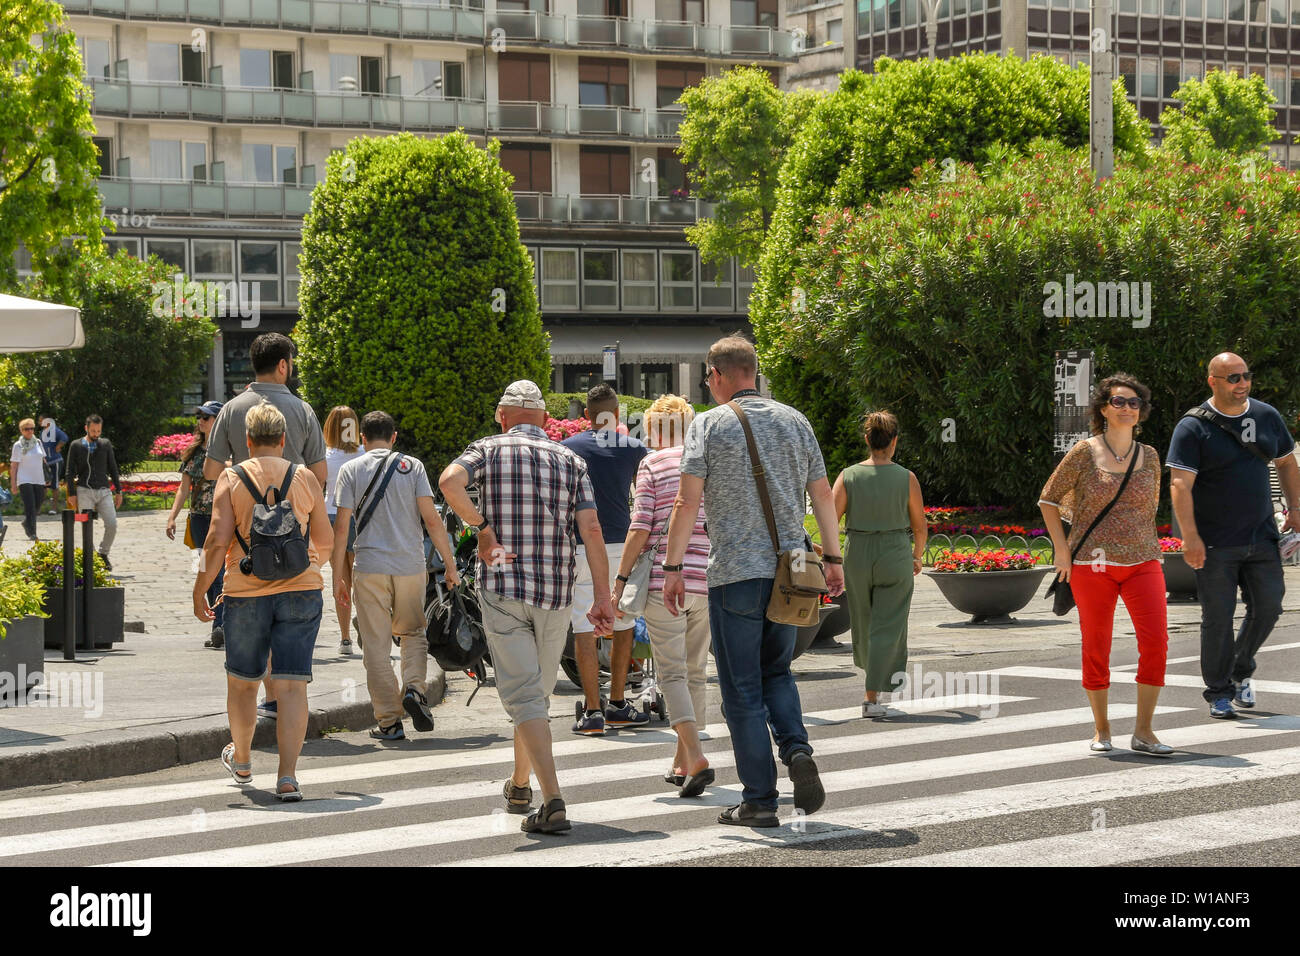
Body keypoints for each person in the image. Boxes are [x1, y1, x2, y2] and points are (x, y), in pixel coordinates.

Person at [664, 335, 845, 828]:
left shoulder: (708, 424)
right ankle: (797, 748)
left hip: (735, 576)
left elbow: (686, 502)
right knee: (777, 673)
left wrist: (674, 568)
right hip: (792, 574)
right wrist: (833, 559)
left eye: (708, 377)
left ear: (719, 374)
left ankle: (760, 800)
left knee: (741, 689)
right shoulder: (795, 421)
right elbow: (823, 494)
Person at [439, 380, 615, 835]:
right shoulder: (571, 460)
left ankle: (553, 798)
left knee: (522, 694)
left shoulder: (488, 449)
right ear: (541, 418)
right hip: (556, 591)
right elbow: (592, 530)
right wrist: (601, 597)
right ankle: (520, 783)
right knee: (532, 694)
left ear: (502, 415)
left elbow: (448, 482)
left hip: (504, 583)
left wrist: (481, 528)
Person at [193, 401, 334, 801]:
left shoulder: (231, 478)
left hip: (245, 592)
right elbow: (324, 541)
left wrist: (201, 586)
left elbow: (217, 540)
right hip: (301, 592)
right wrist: (306, 567)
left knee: (242, 683)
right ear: (285, 439)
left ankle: (242, 761)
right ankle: (287, 777)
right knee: (291, 686)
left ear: (249, 440)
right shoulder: (305, 477)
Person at [1039, 374, 1172, 754]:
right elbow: (1048, 499)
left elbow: (1146, 511)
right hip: (1092, 563)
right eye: (1118, 401)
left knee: (1156, 643)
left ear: (1140, 412)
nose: (1127, 408)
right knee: (1096, 645)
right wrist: (1062, 551)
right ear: (1103, 408)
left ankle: (1144, 731)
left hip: (1144, 559)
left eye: (1134, 403)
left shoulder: (1150, 456)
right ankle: (1102, 729)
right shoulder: (1084, 451)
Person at [1167, 352, 1300, 719]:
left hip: (1262, 535)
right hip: (1214, 542)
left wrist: (1296, 508)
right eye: (1233, 378)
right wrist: (1189, 536)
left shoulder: (1265, 415)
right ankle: (1219, 692)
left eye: (1245, 376)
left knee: (1270, 606)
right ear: (1213, 381)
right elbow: (1180, 483)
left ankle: (1240, 670)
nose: (1242, 384)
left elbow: (1287, 462)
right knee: (1218, 617)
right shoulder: (1193, 426)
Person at [206, 332, 327, 719]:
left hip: (243, 541)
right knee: (287, 614)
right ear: (283, 365)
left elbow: (210, 470)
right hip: (294, 538)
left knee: (251, 624)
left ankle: (252, 709)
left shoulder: (230, 408)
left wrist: (240, 476)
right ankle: (279, 702)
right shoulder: (303, 410)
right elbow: (320, 474)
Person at [333, 411, 459, 740]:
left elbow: (341, 527)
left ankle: (389, 721)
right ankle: (415, 691)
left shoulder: (350, 469)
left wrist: (337, 577)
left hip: (370, 566)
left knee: (374, 646)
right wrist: (449, 563)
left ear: (362, 438)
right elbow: (432, 520)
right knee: (413, 633)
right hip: (410, 566)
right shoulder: (412, 466)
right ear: (394, 437)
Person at [613, 394, 713, 795]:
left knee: (670, 673)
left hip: (663, 579)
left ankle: (697, 755)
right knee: (695, 671)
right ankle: (683, 761)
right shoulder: (707, 461)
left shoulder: (652, 464)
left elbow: (640, 527)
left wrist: (620, 578)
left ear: (655, 428)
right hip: (705, 578)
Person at [562, 383, 649, 735]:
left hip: (580, 545)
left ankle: (593, 711)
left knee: (584, 628)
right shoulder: (635, 448)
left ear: (586, 415)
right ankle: (617, 703)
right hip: (621, 543)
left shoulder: (566, 448)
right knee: (623, 622)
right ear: (616, 415)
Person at [832, 411, 927, 719]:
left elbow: (830, 519)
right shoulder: (906, 478)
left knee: (863, 621)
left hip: (858, 551)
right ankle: (872, 696)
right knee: (890, 622)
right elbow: (920, 526)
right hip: (895, 551)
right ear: (894, 441)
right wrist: (917, 556)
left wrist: (830, 557)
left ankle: (871, 689)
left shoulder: (848, 475)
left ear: (867, 440)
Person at [167, 401, 226, 648]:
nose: (201, 421)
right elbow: (183, 489)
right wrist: (172, 516)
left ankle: (221, 625)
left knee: (221, 570)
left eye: (207, 417)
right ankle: (220, 623)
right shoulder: (193, 452)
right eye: (199, 416)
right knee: (207, 571)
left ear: (218, 420)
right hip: (200, 518)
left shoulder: (228, 452)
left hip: (224, 517)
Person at [323, 405, 365, 654]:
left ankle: (345, 638)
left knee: (341, 578)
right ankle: (368, 626)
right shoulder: (364, 453)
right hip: (360, 517)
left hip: (333, 516)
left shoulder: (326, 457)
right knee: (362, 577)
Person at [65, 415, 122, 567]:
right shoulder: (76, 445)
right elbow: (69, 471)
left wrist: (118, 491)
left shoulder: (105, 444)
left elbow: (113, 467)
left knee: (112, 524)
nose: (96, 434)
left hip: (103, 490)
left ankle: (103, 553)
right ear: (86, 428)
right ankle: (90, 558)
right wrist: (71, 493)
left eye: (98, 431)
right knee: (86, 527)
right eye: (93, 431)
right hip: (84, 490)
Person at [11, 418, 47, 541]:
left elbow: (43, 460)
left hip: (39, 479)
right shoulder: (18, 445)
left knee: (39, 502)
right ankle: (32, 532)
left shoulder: (38, 442)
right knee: (30, 506)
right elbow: (14, 466)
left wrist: (48, 475)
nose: (30, 431)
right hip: (24, 479)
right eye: (27, 429)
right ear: (21, 430)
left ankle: (27, 522)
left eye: (32, 428)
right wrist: (13, 484)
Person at [39, 415, 68, 514]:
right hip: (45, 463)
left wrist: (59, 446)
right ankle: (39, 509)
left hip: (56, 461)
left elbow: (64, 437)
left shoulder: (54, 430)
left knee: (54, 485)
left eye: (41, 420)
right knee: (43, 485)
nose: (39, 422)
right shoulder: (42, 432)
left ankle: (54, 509)